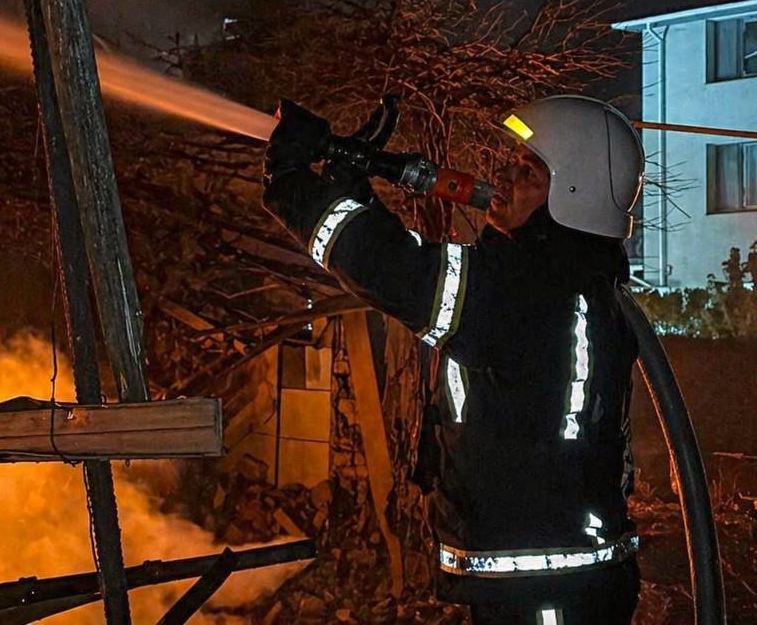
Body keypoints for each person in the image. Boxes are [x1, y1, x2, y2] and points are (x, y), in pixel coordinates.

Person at [263, 95, 645, 624]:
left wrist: (290, 181)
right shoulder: (558, 277)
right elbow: (413, 269)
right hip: (545, 586)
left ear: (573, 195)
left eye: (528, 172)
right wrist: (353, 191)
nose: (503, 177)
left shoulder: (535, 291)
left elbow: (396, 271)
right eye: (512, 162)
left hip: (549, 597)